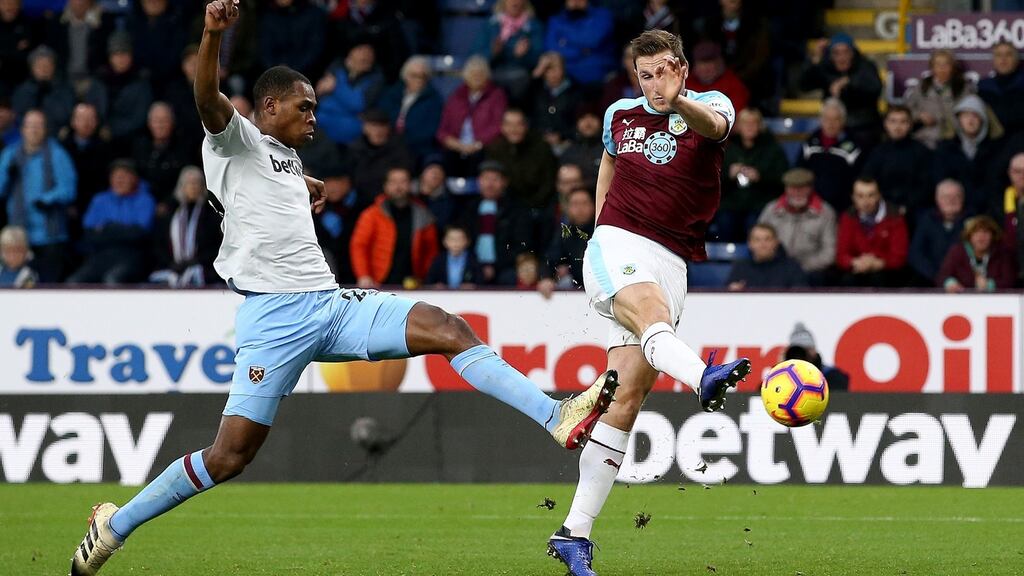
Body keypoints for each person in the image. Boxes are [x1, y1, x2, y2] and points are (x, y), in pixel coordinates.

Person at [69, 4, 617, 576]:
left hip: (330, 306)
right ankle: (115, 526)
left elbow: (273, 179)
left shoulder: (283, 157)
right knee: (229, 456)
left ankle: (556, 417)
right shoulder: (233, 140)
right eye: (303, 106)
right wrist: (211, 34)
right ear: (269, 106)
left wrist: (305, 181)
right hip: (275, 320)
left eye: (316, 107)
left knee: (448, 328)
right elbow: (207, 97)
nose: (313, 115)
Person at [547, 30, 751, 576]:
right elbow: (608, 165)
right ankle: (702, 377)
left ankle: (573, 533)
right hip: (620, 242)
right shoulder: (620, 114)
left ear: (681, 67)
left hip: (674, 259)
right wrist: (599, 230)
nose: (652, 82)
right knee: (654, 321)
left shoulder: (711, 106)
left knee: (626, 399)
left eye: (661, 70)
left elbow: (714, 128)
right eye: (644, 74)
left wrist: (677, 98)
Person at [0, 110, 77, 283]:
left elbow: (68, 188)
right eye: (30, 126)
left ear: (45, 129)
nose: (34, 130)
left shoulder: (57, 154)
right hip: (19, 236)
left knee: (46, 286)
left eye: (38, 126)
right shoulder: (10, 154)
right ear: (22, 129)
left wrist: (47, 199)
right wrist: (6, 175)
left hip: (49, 235)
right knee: (16, 284)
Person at [67, 159, 156, 285]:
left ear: (134, 179)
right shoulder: (100, 200)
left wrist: (107, 227)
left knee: (113, 280)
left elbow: (139, 234)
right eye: (115, 176)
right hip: (100, 256)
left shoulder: (145, 200)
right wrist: (123, 229)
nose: (119, 180)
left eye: (124, 176)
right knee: (73, 283)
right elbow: (89, 233)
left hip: (132, 256)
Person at [349, 166, 437, 289]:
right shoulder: (372, 215)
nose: (398, 186)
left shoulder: (423, 214)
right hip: (378, 283)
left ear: (411, 184)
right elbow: (359, 246)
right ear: (385, 186)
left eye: (403, 181)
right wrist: (363, 275)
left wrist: (425, 278)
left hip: (413, 285)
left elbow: (431, 251)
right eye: (393, 182)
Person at [717, 107, 787, 243]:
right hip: (732, 203)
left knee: (755, 222)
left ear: (760, 126)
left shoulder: (773, 149)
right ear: (738, 127)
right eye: (745, 123)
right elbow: (713, 181)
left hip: (761, 203)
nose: (749, 127)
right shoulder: (728, 150)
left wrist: (760, 177)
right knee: (725, 220)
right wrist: (728, 174)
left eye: (753, 123)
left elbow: (782, 179)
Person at [757, 168, 837, 283]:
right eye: (793, 188)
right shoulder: (771, 210)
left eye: (802, 188)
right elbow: (757, 240)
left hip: (810, 270)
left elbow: (829, 253)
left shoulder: (825, 213)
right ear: (786, 189)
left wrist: (799, 267)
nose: (797, 193)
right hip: (775, 267)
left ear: (810, 189)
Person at [799, 33, 882, 145]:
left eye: (846, 52)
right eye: (836, 53)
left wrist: (849, 81)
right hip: (833, 125)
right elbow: (804, 86)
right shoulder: (826, 67)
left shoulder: (865, 66)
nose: (841, 57)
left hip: (861, 125)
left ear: (853, 53)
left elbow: (875, 87)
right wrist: (814, 60)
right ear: (830, 55)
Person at [149, 166, 223, 287]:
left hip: (204, 268)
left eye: (197, 183)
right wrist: (171, 263)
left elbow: (215, 246)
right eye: (189, 183)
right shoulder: (170, 213)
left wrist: (196, 261)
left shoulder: (211, 214)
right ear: (182, 187)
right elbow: (159, 243)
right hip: (172, 267)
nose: (193, 187)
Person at [436, 55, 507, 178]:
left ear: (487, 76)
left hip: (482, 146)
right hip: (456, 145)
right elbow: (442, 130)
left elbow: (498, 125)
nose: (476, 77)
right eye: (473, 74)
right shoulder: (456, 96)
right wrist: (456, 144)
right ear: (466, 76)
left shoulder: (497, 95)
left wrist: (477, 144)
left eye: (480, 74)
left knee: (478, 159)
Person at [934, 94, 1005, 216]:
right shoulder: (945, 148)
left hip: (988, 211)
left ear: (983, 119)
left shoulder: (997, 149)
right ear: (958, 119)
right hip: (955, 212)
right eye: (965, 115)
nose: (970, 120)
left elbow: (996, 185)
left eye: (975, 115)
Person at [861, 104, 934, 219]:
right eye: (893, 121)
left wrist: (906, 207)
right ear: (886, 124)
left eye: (903, 122)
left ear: (910, 125)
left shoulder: (921, 151)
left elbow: (926, 186)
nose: (897, 126)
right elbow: (868, 180)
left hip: (914, 211)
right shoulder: (877, 152)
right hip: (881, 209)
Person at [835, 177, 909, 287]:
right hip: (857, 269)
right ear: (853, 197)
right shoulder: (848, 217)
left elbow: (899, 257)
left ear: (879, 195)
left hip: (886, 272)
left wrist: (878, 263)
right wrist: (855, 262)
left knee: (879, 278)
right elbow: (841, 255)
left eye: (871, 195)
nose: (866, 202)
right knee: (847, 280)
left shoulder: (894, 217)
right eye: (860, 196)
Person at [797, 98, 863, 213]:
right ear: (820, 120)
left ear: (843, 121)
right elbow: (799, 172)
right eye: (826, 119)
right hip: (811, 205)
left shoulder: (854, 147)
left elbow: (858, 180)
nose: (830, 124)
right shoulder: (810, 143)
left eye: (835, 119)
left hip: (843, 207)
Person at [472, 0, 544, 106]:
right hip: (492, 75)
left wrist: (524, 56)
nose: (515, 2)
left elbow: (539, 60)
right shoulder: (490, 24)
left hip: (522, 83)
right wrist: (493, 52)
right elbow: (474, 57)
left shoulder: (534, 26)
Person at [376, 55, 443, 164]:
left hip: (416, 150)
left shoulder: (434, 101)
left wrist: (400, 143)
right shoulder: (391, 94)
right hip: (387, 145)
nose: (419, 80)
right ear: (405, 76)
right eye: (414, 75)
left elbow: (429, 132)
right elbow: (381, 117)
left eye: (423, 76)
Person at [903, 49, 975, 150]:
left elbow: (973, 112)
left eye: (946, 64)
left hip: (955, 139)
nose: (942, 68)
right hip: (925, 139)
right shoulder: (922, 86)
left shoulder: (963, 87)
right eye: (937, 64)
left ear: (953, 67)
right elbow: (906, 110)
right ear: (932, 67)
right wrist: (919, 115)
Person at [544, 0, 616, 89]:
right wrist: (583, 50)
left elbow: (592, 40)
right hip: (566, 75)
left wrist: (564, 42)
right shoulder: (556, 20)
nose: (575, 1)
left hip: (596, 74)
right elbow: (551, 49)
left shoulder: (603, 15)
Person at [907, 179, 967, 285]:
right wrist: (939, 277)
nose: (951, 200)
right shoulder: (926, 220)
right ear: (937, 199)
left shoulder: (972, 221)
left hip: (965, 282)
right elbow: (916, 254)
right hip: (930, 281)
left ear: (963, 198)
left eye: (956, 196)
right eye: (946, 197)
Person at [938, 215, 1017, 291]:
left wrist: (990, 285)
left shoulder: (1003, 253)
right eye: (976, 232)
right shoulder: (957, 252)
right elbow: (942, 276)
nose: (981, 237)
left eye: (985, 232)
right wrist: (949, 283)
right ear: (969, 236)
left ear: (993, 236)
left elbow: (1010, 281)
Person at [727, 223, 807, 290]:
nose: (763, 244)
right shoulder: (740, 267)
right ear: (750, 244)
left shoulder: (792, 267)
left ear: (776, 242)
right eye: (757, 240)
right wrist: (733, 291)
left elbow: (801, 297)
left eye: (767, 239)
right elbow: (726, 294)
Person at [783, 322, 849, 391]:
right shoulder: (783, 378)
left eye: (807, 349)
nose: (801, 357)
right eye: (796, 353)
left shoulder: (832, 376)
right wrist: (781, 368)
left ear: (814, 350)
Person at [978, 41, 1024, 136]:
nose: (1003, 59)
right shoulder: (983, 87)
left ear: (1016, 59)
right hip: (992, 141)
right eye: (999, 55)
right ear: (993, 60)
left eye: (1008, 54)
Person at [426, 224, 482, 289]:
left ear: (467, 241)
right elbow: (429, 281)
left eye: (459, 239)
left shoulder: (473, 259)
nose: (455, 242)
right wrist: (436, 285)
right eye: (452, 239)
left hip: (467, 297)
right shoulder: (439, 259)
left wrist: (472, 286)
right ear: (444, 241)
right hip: (442, 297)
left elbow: (480, 281)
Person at [996, 152, 1024, 282]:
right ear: (1009, 173)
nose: (1022, 176)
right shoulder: (997, 201)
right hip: (1006, 271)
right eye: (1017, 171)